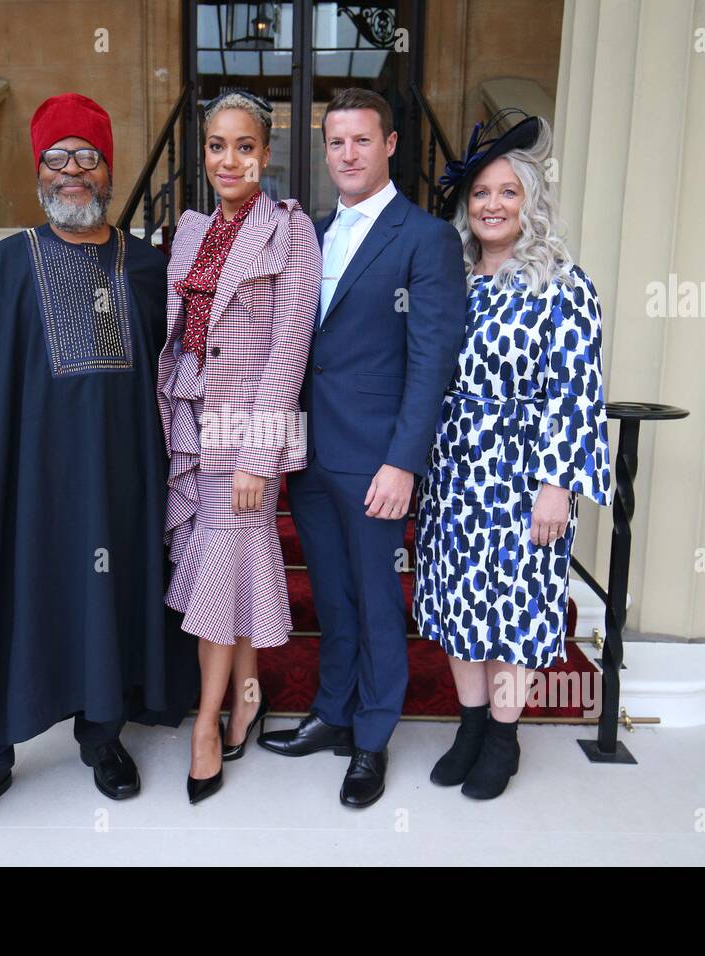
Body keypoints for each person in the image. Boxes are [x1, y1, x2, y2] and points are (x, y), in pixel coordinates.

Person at [0, 92, 196, 838]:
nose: (73, 172)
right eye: (58, 158)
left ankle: (101, 735)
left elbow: (179, 377)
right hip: (27, 489)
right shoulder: (5, 269)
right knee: (15, 607)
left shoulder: (148, 267)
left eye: (89, 158)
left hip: (119, 484)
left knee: (110, 605)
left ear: (110, 170)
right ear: (39, 171)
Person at [257, 88, 464, 809]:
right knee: (336, 598)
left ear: (391, 146)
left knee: (378, 600)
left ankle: (372, 739)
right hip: (309, 452)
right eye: (335, 142)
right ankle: (334, 711)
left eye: (361, 141)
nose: (347, 154)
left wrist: (404, 461)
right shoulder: (309, 232)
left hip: (377, 458)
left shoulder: (425, 237)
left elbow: (433, 358)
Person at [415, 110, 612, 800]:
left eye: (508, 192)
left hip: (525, 476)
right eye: (480, 194)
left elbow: (576, 390)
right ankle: (470, 726)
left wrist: (557, 483)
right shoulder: (453, 281)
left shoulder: (561, 283)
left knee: (515, 609)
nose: (492, 205)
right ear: (466, 208)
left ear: (530, 201)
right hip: (455, 470)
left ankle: (503, 736)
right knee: (459, 603)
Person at [158, 90, 320, 804]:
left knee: (221, 573)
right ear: (205, 153)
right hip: (193, 419)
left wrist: (260, 455)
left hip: (247, 429)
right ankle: (247, 697)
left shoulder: (291, 233)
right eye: (218, 146)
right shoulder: (190, 231)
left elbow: (289, 351)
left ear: (267, 151)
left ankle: (205, 725)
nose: (231, 159)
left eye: (245, 146)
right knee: (224, 573)